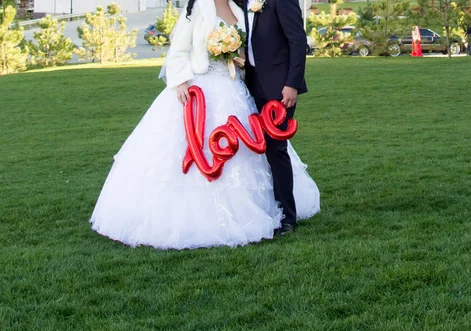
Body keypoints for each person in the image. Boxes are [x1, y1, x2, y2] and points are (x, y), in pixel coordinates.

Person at [90, 0, 320, 250]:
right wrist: (180, 81)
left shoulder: (238, 7)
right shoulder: (198, 7)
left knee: (258, 150)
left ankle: (275, 210)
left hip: (236, 90)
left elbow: (262, 43)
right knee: (196, 150)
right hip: (201, 88)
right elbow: (178, 49)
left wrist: (239, 56)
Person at [243, 0, 308, 235]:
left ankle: (286, 217)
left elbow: (298, 41)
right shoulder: (243, 2)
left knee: (275, 147)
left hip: (280, 87)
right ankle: (265, 208)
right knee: (257, 148)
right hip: (250, 85)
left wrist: (292, 84)